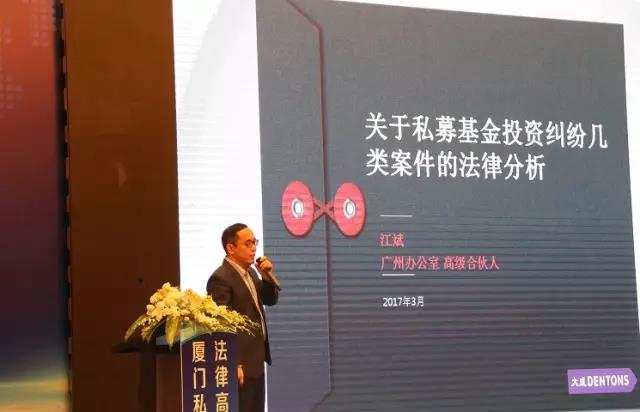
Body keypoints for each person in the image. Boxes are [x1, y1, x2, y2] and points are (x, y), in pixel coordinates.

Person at [207, 223, 280, 412]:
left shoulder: (252, 273)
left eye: (255, 242)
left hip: (256, 360)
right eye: (248, 243)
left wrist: (266, 277)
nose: (254, 248)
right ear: (230, 248)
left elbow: (270, 300)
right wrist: (233, 362)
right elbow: (221, 324)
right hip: (240, 366)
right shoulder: (220, 278)